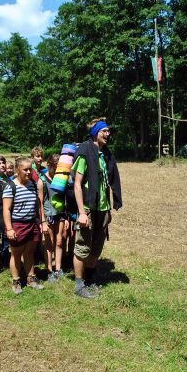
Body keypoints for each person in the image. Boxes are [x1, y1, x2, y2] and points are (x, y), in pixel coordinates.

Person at [71, 118, 122, 298]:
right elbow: (77, 184)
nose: (108, 134)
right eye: (104, 131)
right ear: (96, 133)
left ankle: (90, 280)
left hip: (102, 208)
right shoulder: (85, 151)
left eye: (108, 131)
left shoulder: (106, 154)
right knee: (82, 247)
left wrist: (108, 208)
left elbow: (107, 184)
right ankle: (79, 285)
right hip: (88, 207)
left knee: (97, 246)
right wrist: (82, 213)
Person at [3, 158, 48, 294]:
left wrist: (42, 222)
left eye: (30, 169)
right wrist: (10, 228)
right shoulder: (11, 186)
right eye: (25, 169)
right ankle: (16, 281)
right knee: (16, 254)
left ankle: (31, 279)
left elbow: (38, 205)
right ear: (18, 170)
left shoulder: (34, 185)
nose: (29, 172)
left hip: (32, 223)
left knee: (29, 252)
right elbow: (6, 210)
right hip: (17, 224)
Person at [41, 154, 67, 282]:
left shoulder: (61, 178)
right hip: (48, 215)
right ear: (49, 166)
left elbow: (64, 197)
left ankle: (58, 268)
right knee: (49, 242)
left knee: (59, 241)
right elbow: (40, 202)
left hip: (60, 214)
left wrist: (66, 216)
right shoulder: (43, 180)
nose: (57, 171)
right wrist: (43, 221)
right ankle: (49, 270)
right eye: (55, 168)